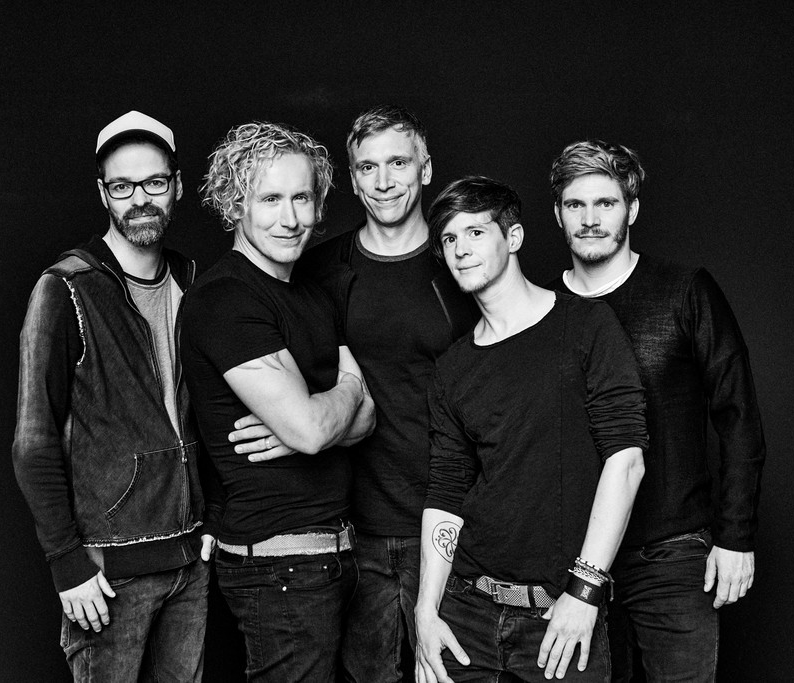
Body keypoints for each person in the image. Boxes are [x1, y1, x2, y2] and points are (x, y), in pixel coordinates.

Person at [414, 176, 649, 683]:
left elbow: (626, 460)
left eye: (476, 232)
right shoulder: (453, 368)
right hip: (466, 613)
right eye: (449, 239)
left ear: (514, 236)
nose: (460, 249)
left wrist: (585, 591)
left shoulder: (586, 326)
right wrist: (425, 611)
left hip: (559, 613)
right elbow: (446, 491)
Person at [548, 140, 766, 682]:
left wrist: (736, 536)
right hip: (572, 559)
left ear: (633, 209)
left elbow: (738, 416)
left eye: (606, 203)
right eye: (576, 205)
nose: (591, 219)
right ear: (557, 214)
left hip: (672, 554)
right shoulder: (543, 309)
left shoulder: (684, 291)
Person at [12, 110, 208, 680]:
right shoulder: (65, 289)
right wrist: (66, 562)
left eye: (154, 182)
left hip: (192, 561)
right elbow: (33, 442)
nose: (139, 199)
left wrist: (214, 520)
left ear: (177, 185)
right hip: (106, 574)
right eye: (122, 187)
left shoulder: (193, 281)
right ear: (103, 194)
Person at [181, 122, 376, 683]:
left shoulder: (310, 292)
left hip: (332, 557)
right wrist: (339, 397)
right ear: (234, 204)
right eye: (270, 199)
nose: (290, 218)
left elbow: (367, 420)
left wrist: (314, 419)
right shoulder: (225, 298)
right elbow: (319, 426)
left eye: (302, 198)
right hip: (279, 568)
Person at [292, 104, 478, 682]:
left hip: (454, 526)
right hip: (355, 532)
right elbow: (286, 379)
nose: (384, 181)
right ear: (352, 179)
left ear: (426, 169)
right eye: (367, 167)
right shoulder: (320, 270)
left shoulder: (464, 264)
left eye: (398, 163)